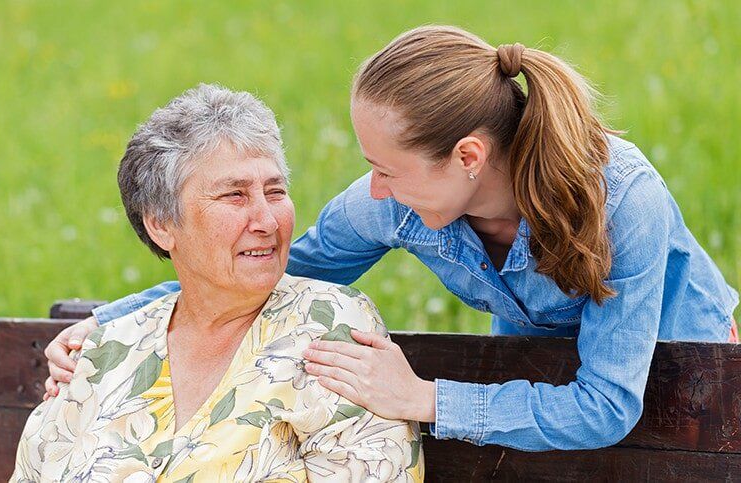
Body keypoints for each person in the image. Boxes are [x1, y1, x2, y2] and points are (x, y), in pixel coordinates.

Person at [43, 26, 738, 452]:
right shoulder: (396, 205)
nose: (372, 189)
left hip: (692, 381)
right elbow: (265, 272)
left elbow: (608, 405)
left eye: (386, 169)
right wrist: (111, 319)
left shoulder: (621, 200)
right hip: (538, 378)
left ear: (468, 158)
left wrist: (425, 397)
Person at [12, 84, 423, 482]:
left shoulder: (329, 325)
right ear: (161, 225)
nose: (266, 222)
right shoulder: (105, 352)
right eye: (235, 196)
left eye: (275, 191)